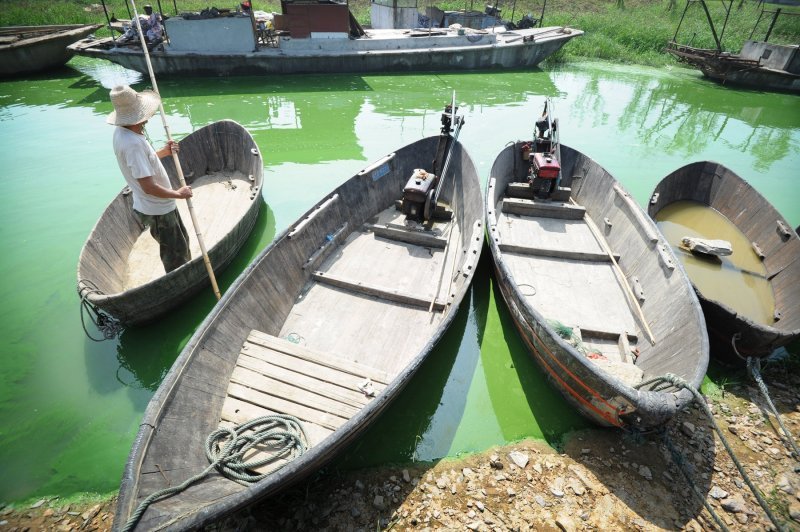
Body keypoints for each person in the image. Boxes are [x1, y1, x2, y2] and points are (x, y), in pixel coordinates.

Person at [107, 85, 193, 273]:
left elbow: (142, 163)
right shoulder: (133, 143)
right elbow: (148, 187)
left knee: (181, 243)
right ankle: (181, 284)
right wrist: (178, 194)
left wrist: (163, 152)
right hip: (157, 208)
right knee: (176, 255)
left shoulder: (123, 133)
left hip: (157, 205)